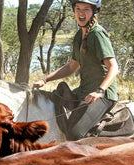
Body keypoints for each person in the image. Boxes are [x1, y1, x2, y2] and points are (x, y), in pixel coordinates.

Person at [32, 0, 119, 140]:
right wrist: (45, 79)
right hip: (84, 91)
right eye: (78, 8)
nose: (81, 13)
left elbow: (114, 67)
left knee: (74, 133)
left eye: (86, 9)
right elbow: (72, 66)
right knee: (54, 99)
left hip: (103, 95)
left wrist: (99, 91)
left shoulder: (97, 34)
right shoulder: (80, 35)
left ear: (94, 12)